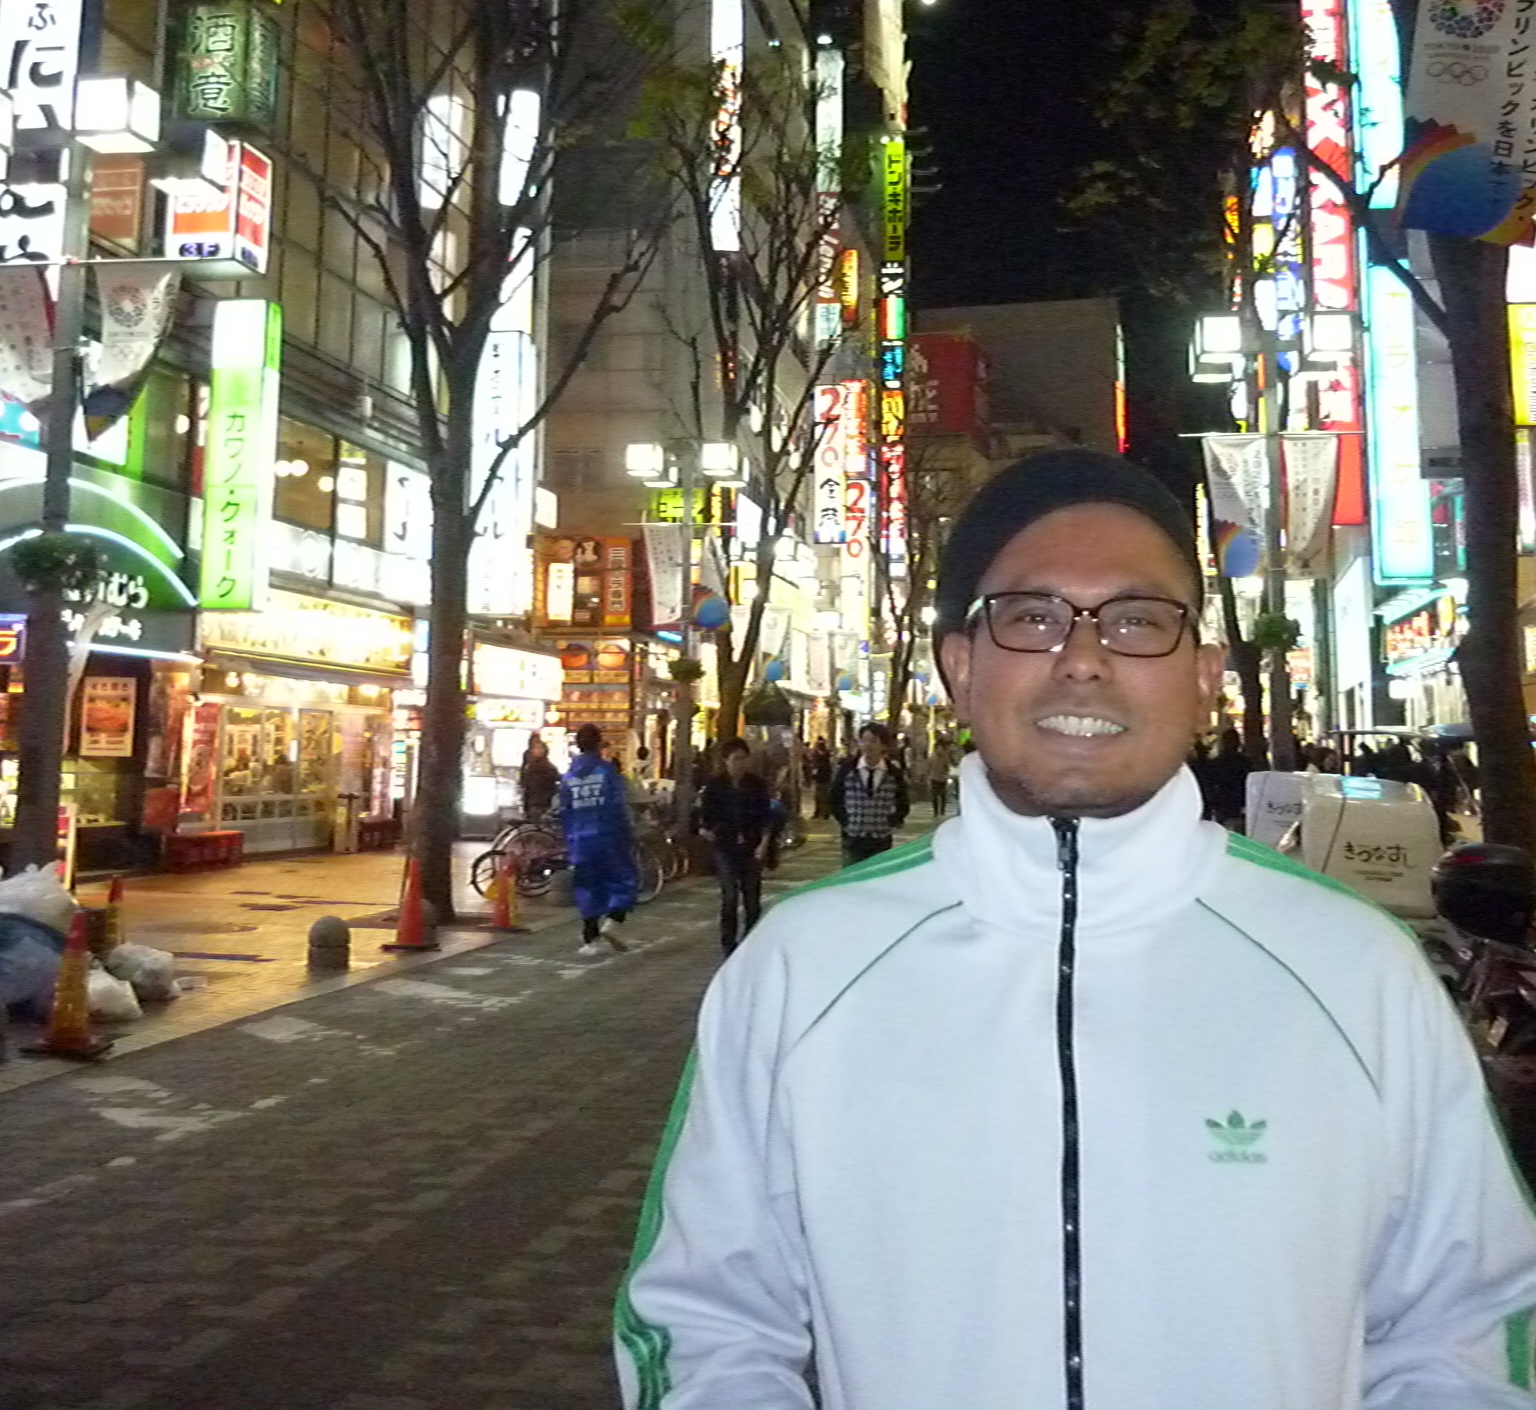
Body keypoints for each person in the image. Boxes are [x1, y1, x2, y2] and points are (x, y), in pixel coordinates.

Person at [615, 448, 1536, 1410]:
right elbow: (705, 1323)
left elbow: (1470, 1328)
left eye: (1137, 620)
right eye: (1033, 617)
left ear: (1204, 676)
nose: (1085, 658)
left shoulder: (1355, 968)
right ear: (960, 668)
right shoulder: (803, 967)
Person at [557, 725, 639, 957]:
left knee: (588, 886)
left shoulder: (569, 778)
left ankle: (590, 939)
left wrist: (570, 839)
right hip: (609, 836)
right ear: (598, 743)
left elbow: (565, 811)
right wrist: (628, 831)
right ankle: (613, 921)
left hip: (579, 841)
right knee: (625, 879)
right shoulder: (607, 772)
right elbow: (618, 805)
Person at [697, 737, 773, 955]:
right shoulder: (715, 785)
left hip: (751, 845)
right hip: (726, 846)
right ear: (726, 760)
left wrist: (763, 844)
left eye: (744, 758)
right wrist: (707, 831)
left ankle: (751, 940)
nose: (740, 763)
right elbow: (705, 817)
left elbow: (766, 816)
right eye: (736, 759)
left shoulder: (756, 785)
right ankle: (728, 943)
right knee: (730, 895)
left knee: (752, 897)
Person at [829, 722, 909, 866]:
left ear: (883, 745)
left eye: (873, 741)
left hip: (881, 837)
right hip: (853, 836)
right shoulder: (848, 770)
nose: (868, 745)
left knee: (879, 873)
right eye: (864, 740)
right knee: (852, 874)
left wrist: (893, 821)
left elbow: (902, 800)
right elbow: (835, 797)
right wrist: (845, 821)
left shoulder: (892, 773)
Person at [518, 733, 560, 821]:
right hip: (534, 802)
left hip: (543, 803)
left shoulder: (549, 767)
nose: (538, 750)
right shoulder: (530, 766)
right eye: (536, 748)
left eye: (541, 748)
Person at [928, 733, 956, 818]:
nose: (939, 750)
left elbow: (947, 767)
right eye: (938, 748)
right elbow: (928, 767)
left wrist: (946, 775)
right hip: (934, 777)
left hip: (942, 778)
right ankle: (936, 812)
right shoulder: (932, 757)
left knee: (942, 795)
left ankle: (942, 811)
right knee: (934, 796)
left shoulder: (945, 757)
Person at [809, 738, 834, 820]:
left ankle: (822, 812)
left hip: (821, 778)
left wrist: (814, 775)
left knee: (821, 796)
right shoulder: (826, 756)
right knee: (821, 796)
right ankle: (822, 812)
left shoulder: (820, 757)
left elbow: (816, 767)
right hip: (823, 778)